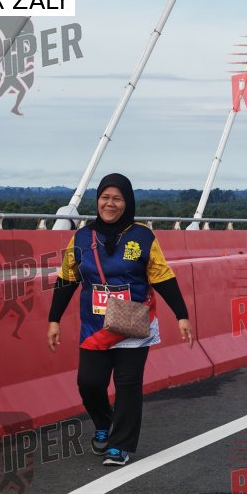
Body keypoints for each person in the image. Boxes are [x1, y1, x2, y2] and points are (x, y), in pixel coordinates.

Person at [47, 173, 193, 466]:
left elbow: (162, 276)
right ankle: (104, 422)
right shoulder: (82, 238)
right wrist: (54, 319)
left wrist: (182, 315)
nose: (110, 204)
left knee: (128, 383)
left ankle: (120, 445)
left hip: (133, 324)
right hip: (95, 327)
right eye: (105, 197)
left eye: (117, 198)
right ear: (97, 200)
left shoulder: (143, 236)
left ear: (127, 203)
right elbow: (67, 278)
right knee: (89, 382)